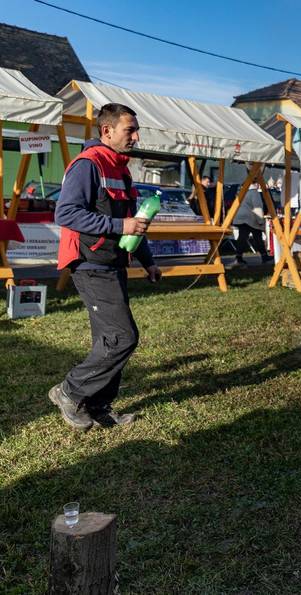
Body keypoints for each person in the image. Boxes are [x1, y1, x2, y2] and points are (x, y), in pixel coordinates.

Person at [50, 103, 161, 431]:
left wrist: (148, 261)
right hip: (90, 264)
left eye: (136, 130)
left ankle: (98, 406)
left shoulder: (122, 169)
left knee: (108, 340)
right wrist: (120, 226)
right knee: (122, 337)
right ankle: (69, 391)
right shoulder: (88, 164)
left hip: (113, 264)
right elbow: (66, 213)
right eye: (130, 130)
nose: (136, 137)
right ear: (107, 131)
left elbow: (135, 223)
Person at [230, 182, 272, 267]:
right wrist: (260, 221)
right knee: (257, 237)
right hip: (250, 218)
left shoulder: (241, 192)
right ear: (256, 184)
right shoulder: (254, 192)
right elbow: (257, 207)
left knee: (242, 238)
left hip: (240, 217)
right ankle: (264, 256)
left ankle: (239, 257)